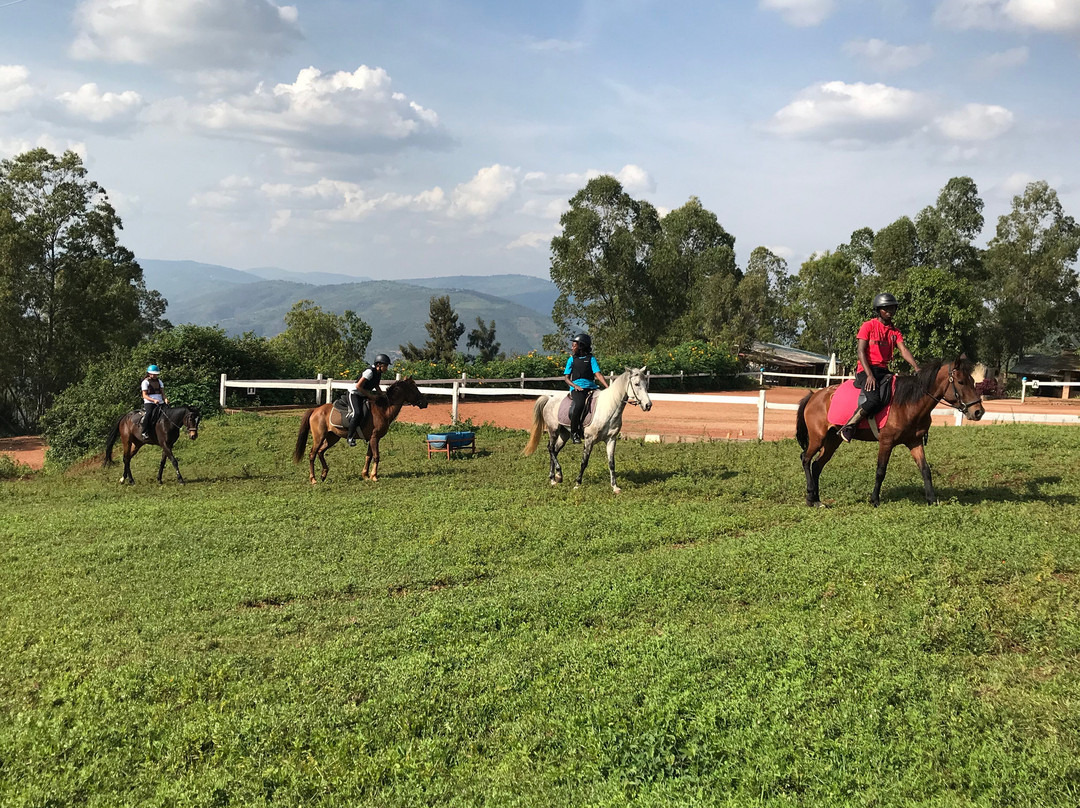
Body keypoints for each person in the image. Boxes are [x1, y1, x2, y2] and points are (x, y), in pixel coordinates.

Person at [840, 292, 920, 442]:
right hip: (866, 370)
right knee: (873, 400)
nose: (890, 312)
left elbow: (903, 350)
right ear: (878, 310)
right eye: (886, 309)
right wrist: (869, 374)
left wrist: (916, 367)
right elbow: (861, 351)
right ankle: (850, 426)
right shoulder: (868, 326)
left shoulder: (895, 331)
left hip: (884, 371)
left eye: (892, 309)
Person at [564, 333, 609, 444]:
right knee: (579, 405)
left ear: (581, 346)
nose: (572, 348)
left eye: (574, 345)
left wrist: (608, 387)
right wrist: (575, 386)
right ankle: (574, 433)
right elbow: (566, 378)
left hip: (592, 387)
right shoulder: (571, 360)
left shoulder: (591, 359)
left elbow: (598, 374)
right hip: (577, 388)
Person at [346, 353, 391, 446]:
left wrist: (383, 394)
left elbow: (376, 385)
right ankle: (350, 437)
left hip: (363, 394)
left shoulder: (379, 373)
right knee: (357, 413)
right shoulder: (369, 372)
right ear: (379, 365)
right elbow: (358, 386)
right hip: (354, 393)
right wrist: (370, 396)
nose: (387, 368)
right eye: (385, 366)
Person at [140, 364, 168, 441]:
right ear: (149, 373)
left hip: (160, 401)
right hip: (149, 402)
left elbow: (162, 393)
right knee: (149, 414)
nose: (155, 375)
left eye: (156, 374)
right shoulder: (145, 382)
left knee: (169, 413)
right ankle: (144, 432)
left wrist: (165, 399)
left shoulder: (159, 381)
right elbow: (144, 395)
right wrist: (153, 400)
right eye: (154, 374)